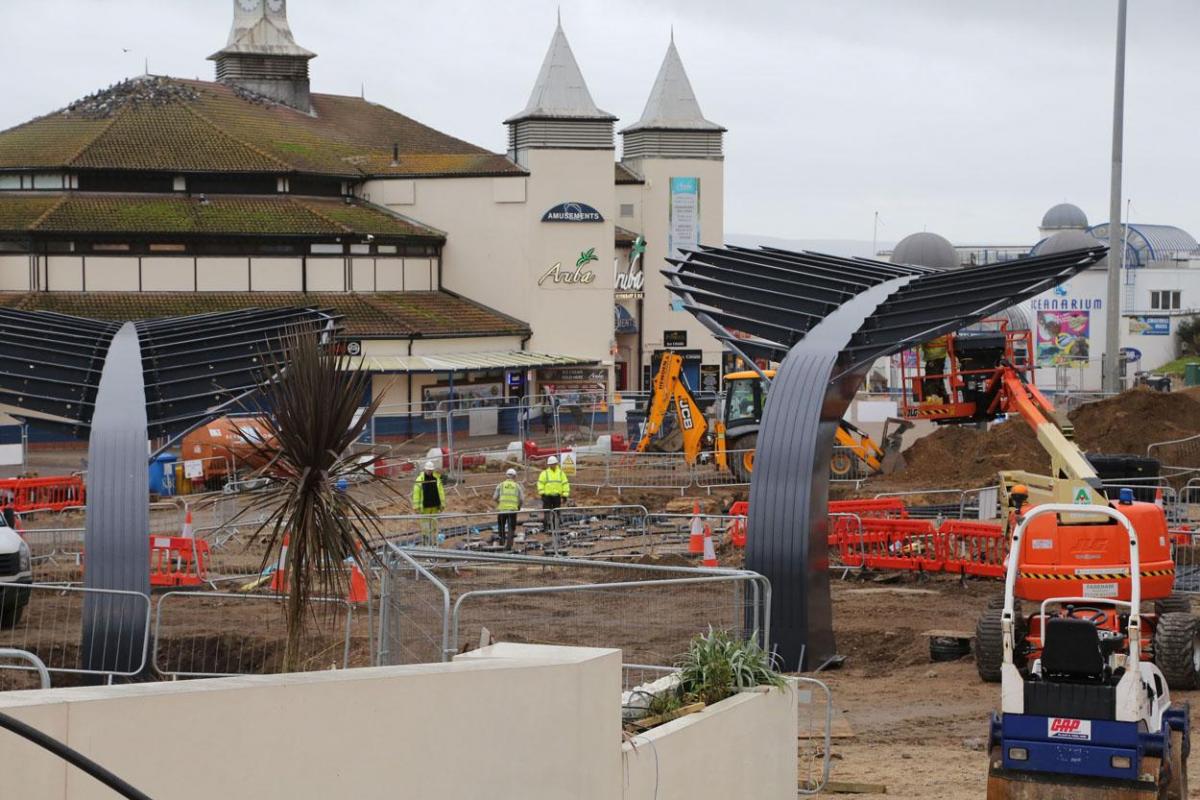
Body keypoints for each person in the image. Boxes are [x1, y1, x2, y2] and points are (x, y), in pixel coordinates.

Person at [537, 455, 570, 550]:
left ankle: (556, 527)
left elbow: (565, 484)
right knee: (547, 512)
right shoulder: (544, 473)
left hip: (556, 496)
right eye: (551, 464)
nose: (552, 465)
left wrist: (565, 495)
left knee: (557, 512)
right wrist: (542, 493)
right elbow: (540, 483)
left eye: (553, 464)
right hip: (547, 496)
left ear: (556, 464)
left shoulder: (561, 473)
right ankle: (546, 527)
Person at [411, 460, 445, 546]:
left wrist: (442, 504)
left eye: (431, 470)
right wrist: (416, 506)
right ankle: (426, 542)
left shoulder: (437, 479)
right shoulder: (420, 479)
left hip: (435, 505)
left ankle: (433, 542)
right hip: (425, 507)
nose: (429, 471)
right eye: (428, 470)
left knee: (433, 525)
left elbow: (441, 492)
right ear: (425, 469)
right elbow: (416, 493)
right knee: (425, 525)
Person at [492, 468, 525, 551]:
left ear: (506, 476)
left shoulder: (501, 485)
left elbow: (494, 497)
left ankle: (501, 542)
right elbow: (521, 499)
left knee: (501, 525)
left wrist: (499, 503)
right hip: (513, 510)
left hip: (502, 509)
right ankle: (509, 545)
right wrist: (518, 506)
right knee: (511, 527)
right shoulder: (517, 486)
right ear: (514, 476)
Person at [920, 334, 949, 403]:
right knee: (938, 379)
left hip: (933, 356)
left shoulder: (931, 332)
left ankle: (932, 400)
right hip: (940, 356)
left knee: (932, 380)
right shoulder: (944, 332)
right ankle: (944, 401)